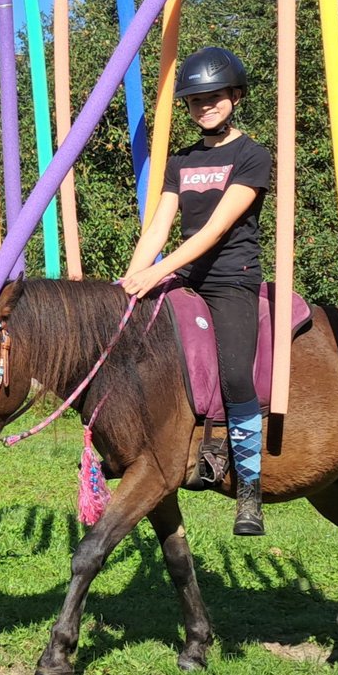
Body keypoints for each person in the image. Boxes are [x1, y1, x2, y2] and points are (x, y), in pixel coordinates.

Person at [121, 46, 272, 536]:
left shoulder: (252, 156)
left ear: (235, 96)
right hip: (186, 277)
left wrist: (157, 272)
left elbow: (213, 232)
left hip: (231, 278)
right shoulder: (179, 162)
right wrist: (129, 281)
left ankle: (249, 490)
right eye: (195, 100)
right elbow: (157, 229)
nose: (205, 105)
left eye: (214, 96)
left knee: (234, 376)